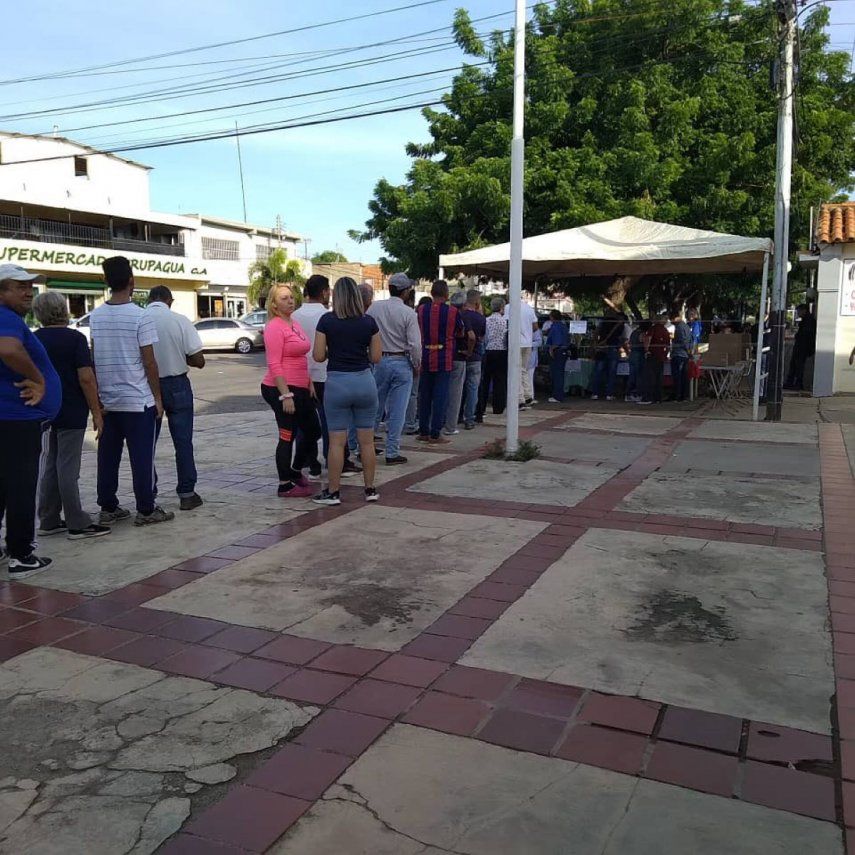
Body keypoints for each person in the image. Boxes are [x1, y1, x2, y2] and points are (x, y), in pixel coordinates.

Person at [91, 256, 174, 527]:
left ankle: (108, 506)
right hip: (138, 401)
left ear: (106, 281)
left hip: (109, 401)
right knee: (142, 457)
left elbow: (94, 357)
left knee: (108, 456)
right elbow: (149, 361)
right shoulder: (141, 316)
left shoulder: (96, 316)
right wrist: (158, 398)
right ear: (131, 281)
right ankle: (146, 509)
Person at [33, 291, 110, 541]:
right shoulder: (75, 339)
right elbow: (86, 378)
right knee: (68, 467)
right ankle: (77, 522)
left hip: (44, 410)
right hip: (72, 409)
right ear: (62, 310)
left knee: (51, 464)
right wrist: (96, 412)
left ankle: (49, 518)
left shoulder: (34, 339)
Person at [0, 265, 61, 577]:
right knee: (23, 486)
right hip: (19, 419)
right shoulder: (7, 318)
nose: (27, 291)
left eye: (29, 286)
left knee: (4, 484)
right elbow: (8, 349)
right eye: (17, 286)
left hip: (9, 417)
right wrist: (38, 379)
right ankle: (22, 554)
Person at [312, 277, 382, 505]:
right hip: (364, 382)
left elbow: (318, 355)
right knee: (367, 441)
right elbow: (376, 357)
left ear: (336, 296)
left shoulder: (326, 321)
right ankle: (370, 489)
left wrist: (336, 350)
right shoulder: (369, 322)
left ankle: (333, 492)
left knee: (336, 442)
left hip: (337, 383)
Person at [145, 286, 205, 511]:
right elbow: (198, 360)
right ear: (170, 301)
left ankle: (148, 493)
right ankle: (187, 494)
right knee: (183, 442)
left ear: (150, 299)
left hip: (148, 386)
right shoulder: (179, 320)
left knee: (146, 443)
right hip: (177, 384)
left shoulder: (140, 319)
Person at [261, 282, 321, 499]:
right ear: (274, 305)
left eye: (291, 297)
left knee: (313, 430)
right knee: (287, 434)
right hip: (280, 388)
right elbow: (274, 364)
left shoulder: (293, 323)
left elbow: (301, 355)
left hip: (300, 386)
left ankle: (295, 470)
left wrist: (309, 381)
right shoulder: (274, 327)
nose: (290, 300)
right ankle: (284, 484)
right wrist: (285, 395)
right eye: (284, 298)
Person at [368, 272, 421, 464]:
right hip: (401, 361)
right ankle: (392, 451)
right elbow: (415, 344)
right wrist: (417, 364)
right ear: (405, 291)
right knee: (398, 410)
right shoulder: (409, 313)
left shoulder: (375, 308)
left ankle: (366, 445)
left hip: (379, 360)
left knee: (375, 406)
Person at [417, 280, 463, 444]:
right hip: (445, 357)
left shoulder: (421, 310)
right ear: (446, 294)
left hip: (425, 356)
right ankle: (435, 433)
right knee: (441, 396)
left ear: (431, 293)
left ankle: (423, 430)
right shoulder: (452, 311)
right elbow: (460, 331)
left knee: (425, 396)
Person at [442, 290, 475, 436]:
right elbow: (472, 337)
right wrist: (469, 351)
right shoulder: (463, 317)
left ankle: (438, 421)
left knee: (441, 390)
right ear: (464, 304)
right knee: (455, 393)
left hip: (443, 355)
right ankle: (450, 426)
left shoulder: (445, 314)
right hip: (459, 357)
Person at [405, 295, 433, 434]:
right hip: (410, 358)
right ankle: (410, 423)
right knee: (413, 393)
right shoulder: (412, 317)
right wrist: (417, 363)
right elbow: (415, 344)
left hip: (390, 357)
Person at [478, 296, 509, 416]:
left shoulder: (486, 320)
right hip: (501, 351)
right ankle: (498, 407)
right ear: (502, 308)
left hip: (488, 351)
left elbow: (484, 338)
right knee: (500, 380)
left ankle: (482, 407)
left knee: (485, 380)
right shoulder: (505, 322)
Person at [460, 289, 486, 429]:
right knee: (473, 389)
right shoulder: (481, 318)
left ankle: (456, 416)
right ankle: (469, 418)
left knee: (457, 389)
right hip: (475, 356)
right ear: (477, 302)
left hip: (460, 356)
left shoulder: (460, 315)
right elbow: (480, 337)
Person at [591, 311, 623, 400]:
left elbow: (595, 333)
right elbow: (620, 338)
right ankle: (609, 394)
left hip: (602, 348)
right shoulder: (618, 324)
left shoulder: (602, 323)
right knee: (612, 372)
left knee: (598, 371)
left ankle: (595, 393)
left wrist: (596, 344)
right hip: (613, 347)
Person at [787, 304, 817, 391]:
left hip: (803, 346)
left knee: (799, 365)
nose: (798, 313)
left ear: (804, 310)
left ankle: (797, 383)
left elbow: (806, 334)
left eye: (799, 311)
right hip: (801, 345)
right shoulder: (806, 320)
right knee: (794, 364)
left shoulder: (809, 320)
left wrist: (798, 337)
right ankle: (791, 382)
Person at [642, 314, 671, 404]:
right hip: (661, 356)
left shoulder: (653, 328)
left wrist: (646, 350)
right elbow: (668, 345)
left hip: (653, 354)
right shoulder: (665, 330)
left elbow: (648, 339)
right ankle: (658, 397)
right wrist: (665, 354)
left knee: (650, 376)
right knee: (659, 377)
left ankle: (649, 397)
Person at [518, 297, 539, 408]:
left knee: (516, 371)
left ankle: (520, 398)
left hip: (516, 343)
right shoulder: (529, 308)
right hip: (528, 343)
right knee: (524, 370)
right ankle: (528, 395)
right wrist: (527, 331)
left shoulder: (509, 307)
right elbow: (535, 327)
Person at [545, 309, 569, 403]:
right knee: (560, 374)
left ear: (552, 317)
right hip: (564, 351)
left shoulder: (555, 327)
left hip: (558, 351)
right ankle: (559, 394)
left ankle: (557, 396)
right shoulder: (563, 326)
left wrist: (551, 349)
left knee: (556, 374)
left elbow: (557, 341)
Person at [670, 309, 693, 402]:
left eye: (671, 319)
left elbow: (683, 342)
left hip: (679, 354)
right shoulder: (686, 326)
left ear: (676, 318)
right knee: (684, 376)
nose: (671, 322)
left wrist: (687, 350)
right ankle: (684, 395)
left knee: (677, 376)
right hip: (685, 355)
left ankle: (678, 396)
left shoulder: (679, 327)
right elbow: (691, 340)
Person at [626, 320, 649, 403]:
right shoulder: (642, 333)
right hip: (639, 354)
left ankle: (629, 394)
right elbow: (643, 342)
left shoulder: (633, 332)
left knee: (632, 374)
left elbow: (629, 343)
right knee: (639, 375)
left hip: (632, 354)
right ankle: (636, 393)